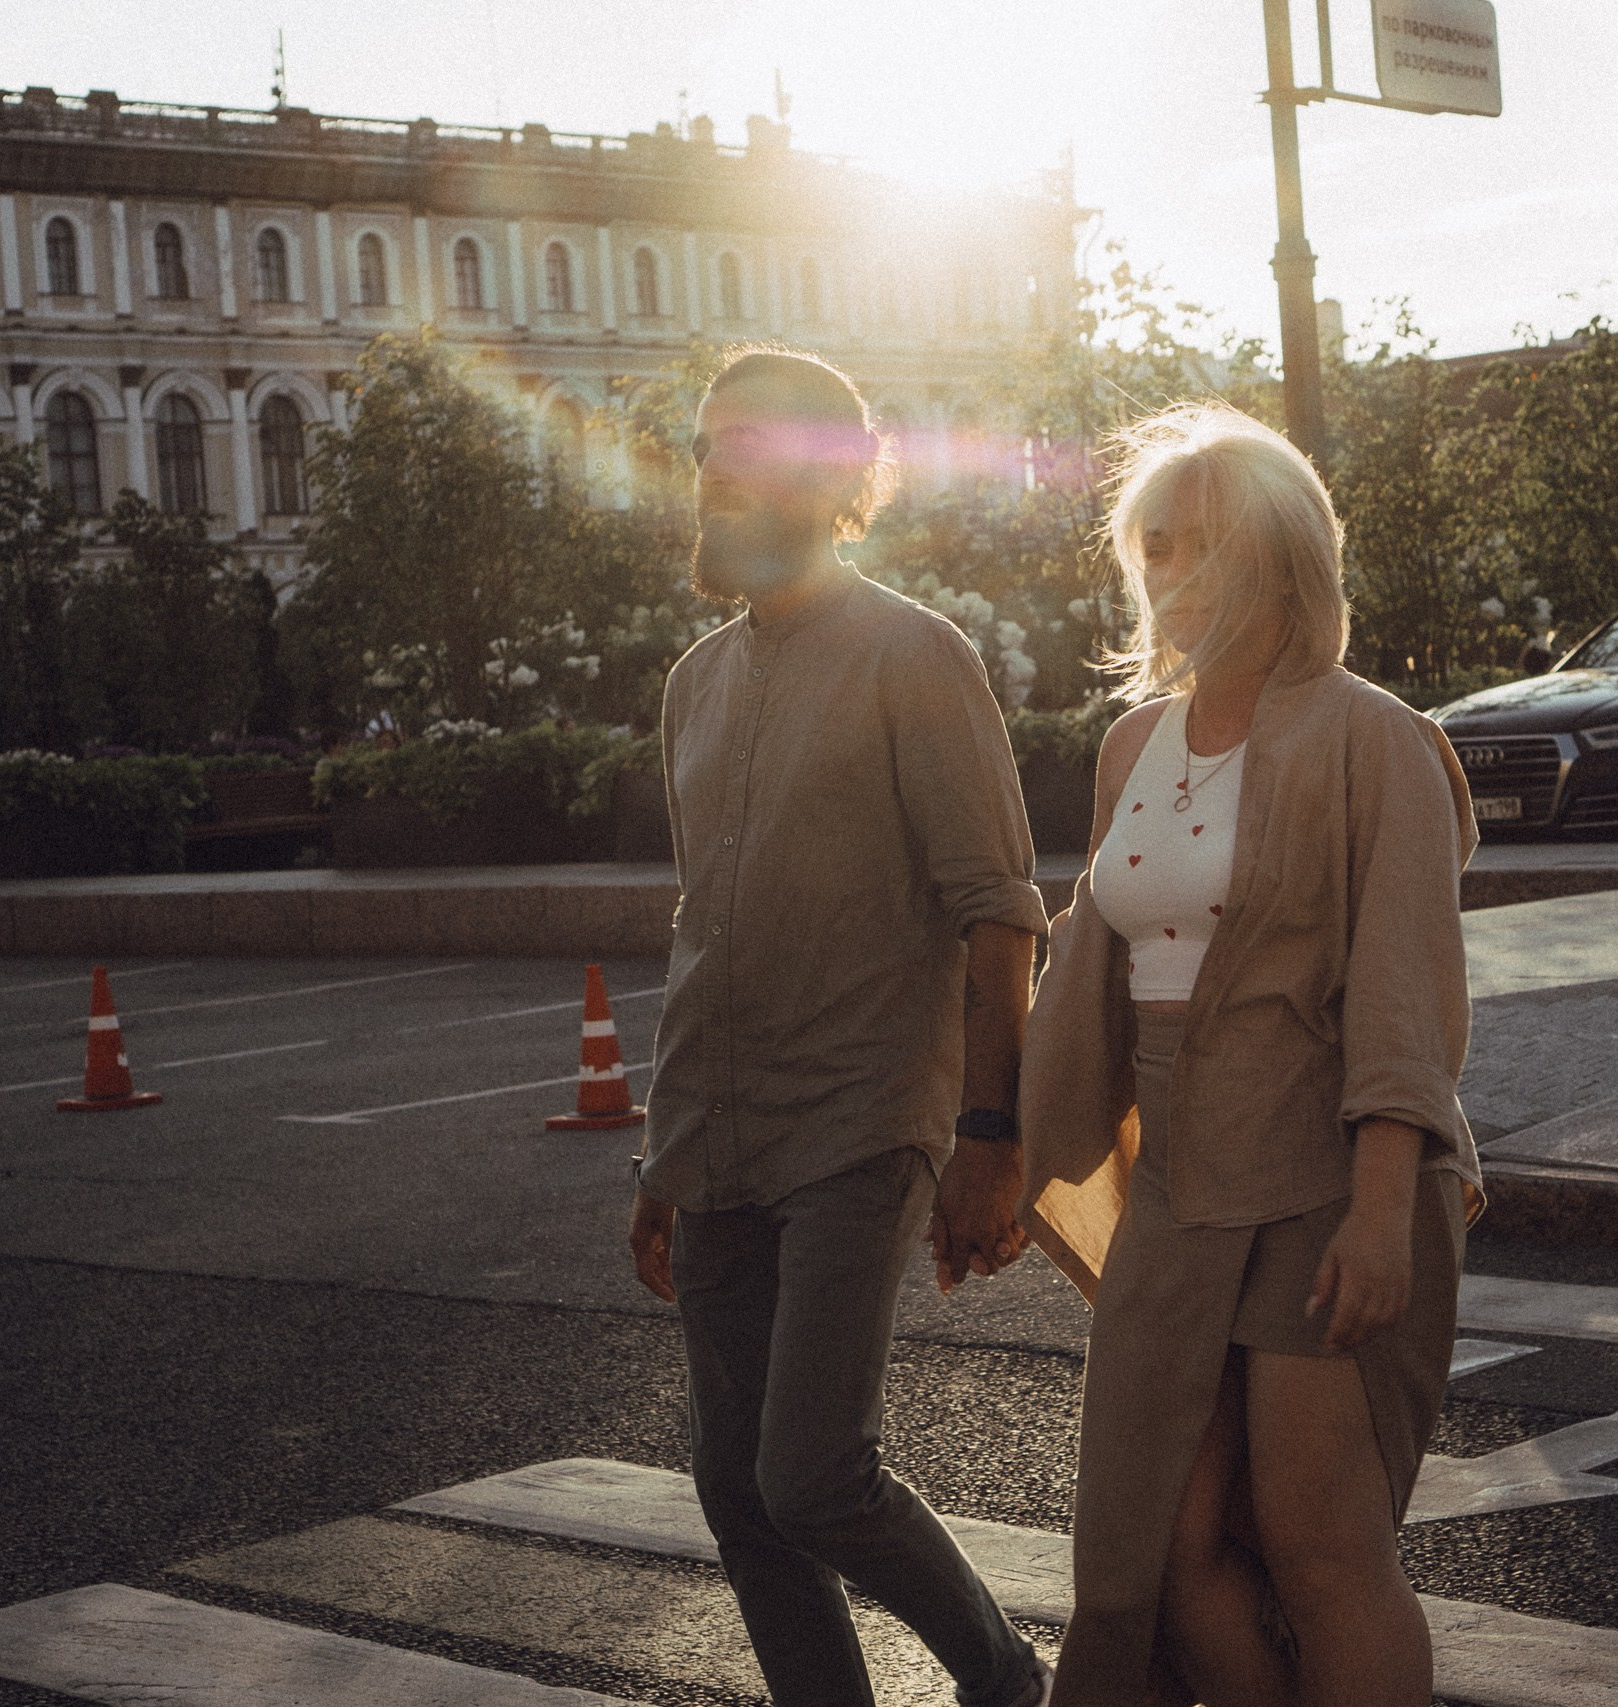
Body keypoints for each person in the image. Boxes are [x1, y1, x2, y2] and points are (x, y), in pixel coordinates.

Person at [1017, 404, 1483, 1705]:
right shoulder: (1129, 746)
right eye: (1150, 546)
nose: (1167, 572)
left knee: (1321, 1544)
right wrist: (1004, 1136)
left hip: (1325, 1166)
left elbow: (1404, 983)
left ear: (1281, 555)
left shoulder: (1371, 733)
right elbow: (1095, 963)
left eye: (1198, 544)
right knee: (1154, 1548)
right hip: (1176, 1183)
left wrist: (1386, 1204)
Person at [627, 346, 1054, 1707]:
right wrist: (659, 1150)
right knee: (735, 1492)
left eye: (744, 443)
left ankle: (1005, 1676)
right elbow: (707, 929)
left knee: (811, 1470)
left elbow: (999, 913)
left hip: (861, 1123)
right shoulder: (694, 680)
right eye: (705, 445)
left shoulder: (914, 656)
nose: (712, 472)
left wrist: (991, 1135)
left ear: (828, 476)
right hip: (714, 1138)